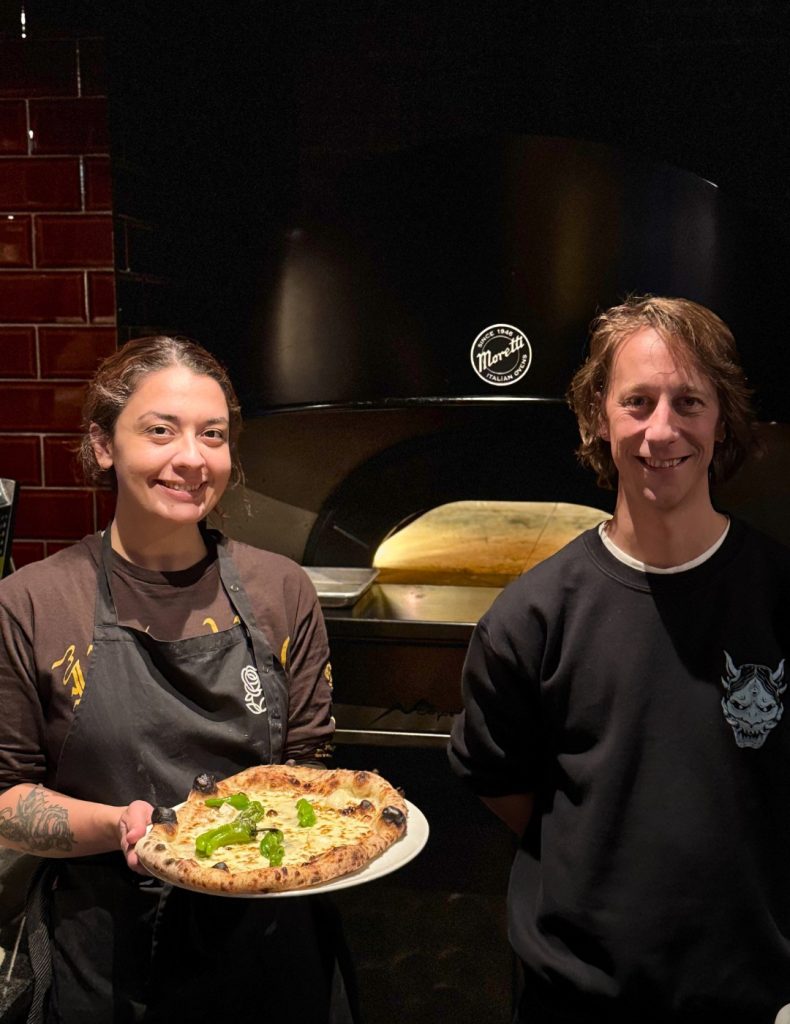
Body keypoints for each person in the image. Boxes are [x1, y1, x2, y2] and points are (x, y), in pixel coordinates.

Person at [448, 296, 790, 1024]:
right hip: (574, 1000)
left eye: (688, 401)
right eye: (637, 402)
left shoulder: (780, 595)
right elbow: (505, 788)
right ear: (598, 417)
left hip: (748, 999)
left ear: (721, 417)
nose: (660, 430)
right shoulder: (530, 617)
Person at [0, 336, 350, 1023]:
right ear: (103, 445)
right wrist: (120, 827)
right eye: (160, 430)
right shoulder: (34, 602)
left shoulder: (281, 589)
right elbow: (6, 798)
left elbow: (311, 769)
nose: (191, 458)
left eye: (212, 435)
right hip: (105, 956)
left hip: (269, 947)